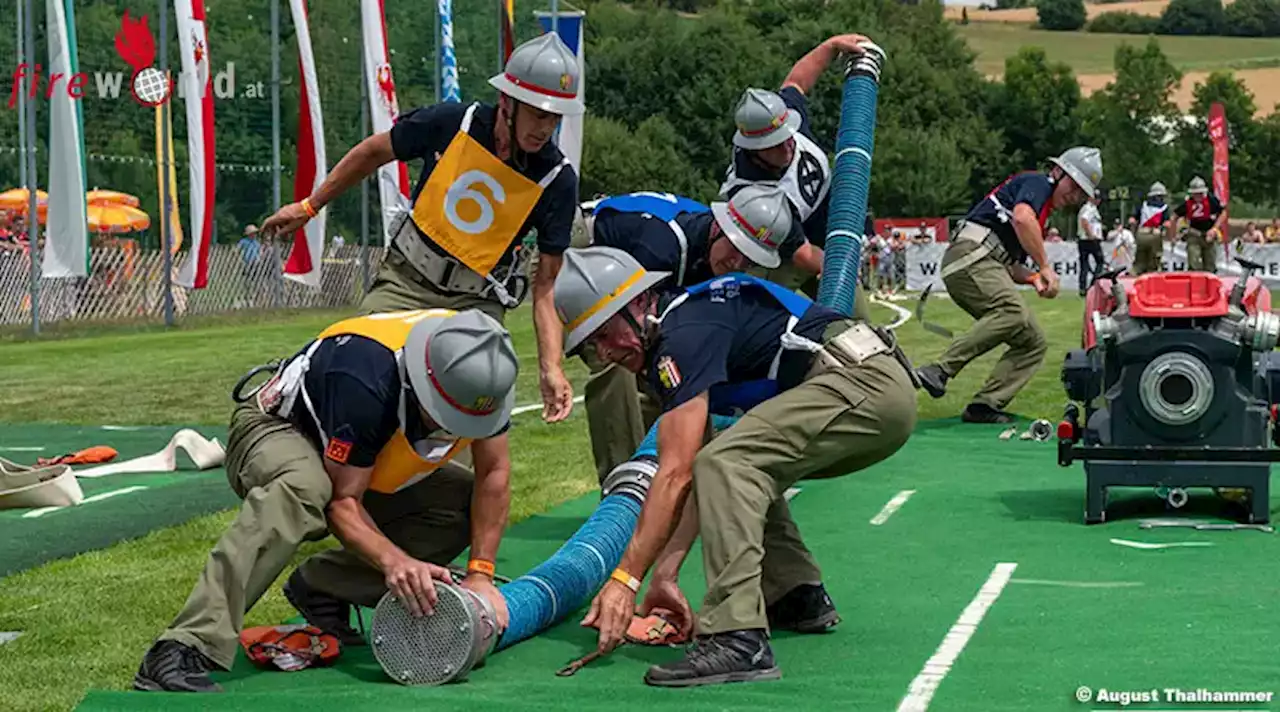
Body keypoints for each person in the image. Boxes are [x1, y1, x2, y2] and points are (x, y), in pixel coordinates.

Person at [555, 246, 918, 687]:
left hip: (863, 385)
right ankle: (794, 593)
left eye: (605, 333)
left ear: (638, 304)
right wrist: (665, 576)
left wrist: (625, 580)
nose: (606, 352)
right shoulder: (688, 323)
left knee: (731, 462)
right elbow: (695, 480)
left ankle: (737, 638)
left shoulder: (682, 334)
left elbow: (675, 474)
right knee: (733, 457)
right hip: (866, 384)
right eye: (591, 348)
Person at [134, 308, 520, 693]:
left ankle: (325, 584)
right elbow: (342, 502)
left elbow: (494, 474)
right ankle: (183, 645)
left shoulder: (481, 372)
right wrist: (395, 561)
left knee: (460, 502)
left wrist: (480, 574)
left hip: (362, 453)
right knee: (304, 489)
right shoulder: (366, 376)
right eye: (446, 417)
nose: (455, 430)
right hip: (280, 428)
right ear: (425, 382)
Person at [260, 33, 583, 423]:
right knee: (353, 368)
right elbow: (373, 151)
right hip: (405, 281)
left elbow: (545, 285)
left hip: (475, 304)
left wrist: (551, 367)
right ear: (507, 102)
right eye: (537, 113)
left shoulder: (557, 179)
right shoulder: (453, 122)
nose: (546, 127)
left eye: (555, 117)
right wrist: (309, 206)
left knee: (467, 411)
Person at [572, 185, 800, 483]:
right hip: (579, 258)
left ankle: (668, 473)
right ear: (719, 227)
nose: (738, 264)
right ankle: (624, 485)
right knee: (615, 364)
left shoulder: (710, 249)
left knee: (672, 366)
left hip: (633, 274)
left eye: (749, 259)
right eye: (735, 249)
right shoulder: (660, 245)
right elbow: (625, 318)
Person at [913, 147, 1102, 424]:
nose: (1074, 196)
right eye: (1073, 185)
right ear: (1057, 172)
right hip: (971, 257)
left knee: (1032, 341)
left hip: (979, 259)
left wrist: (1033, 277)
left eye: (1081, 194)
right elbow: (1022, 219)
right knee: (1012, 310)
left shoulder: (1040, 208)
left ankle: (985, 405)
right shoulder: (1038, 184)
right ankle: (939, 370)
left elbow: (1010, 264)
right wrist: (1045, 267)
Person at [718, 33, 878, 321]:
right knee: (769, 334)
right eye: (775, 143)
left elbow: (796, 83)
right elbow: (802, 256)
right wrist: (840, 262)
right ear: (755, 151)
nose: (787, 143)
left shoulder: (783, 121)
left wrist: (829, 47)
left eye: (786, 134)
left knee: (859, 326)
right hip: (775, 263)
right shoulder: (754, 196)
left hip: (815, 244)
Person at [1168, 176, 1227, 273]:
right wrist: (1173, 236)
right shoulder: (1188, 203)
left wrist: (1214, 229)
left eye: (1200, 193)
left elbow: (1223, 213)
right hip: (1194, 234)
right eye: (1195, 194)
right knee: (1194, 262)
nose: (1198, 196)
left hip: (1209, 235)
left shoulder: (1211, 200)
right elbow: (1174, 216)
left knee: (1210, 264)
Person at [1132, 182, 1169, 275]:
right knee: (1153, 263)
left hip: (1142, 234)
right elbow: (1167, 223)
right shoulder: (1164, 208)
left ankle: (1135, 275)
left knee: (1139, 261)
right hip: (1155, 234)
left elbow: (1133, 220)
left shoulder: (1142, 205)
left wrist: (1133, 233)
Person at [1076, 194, 1104, 296]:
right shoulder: (1090, 208)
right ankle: (1093, 285)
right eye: (1096, 198)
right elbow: (1084, 220)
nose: (1098, 200)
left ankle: (1082, 288)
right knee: (1100, 261)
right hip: (1089, 239)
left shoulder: (1088, 208)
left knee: (1084, 264)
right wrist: (1091, 235)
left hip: (1083, 239)